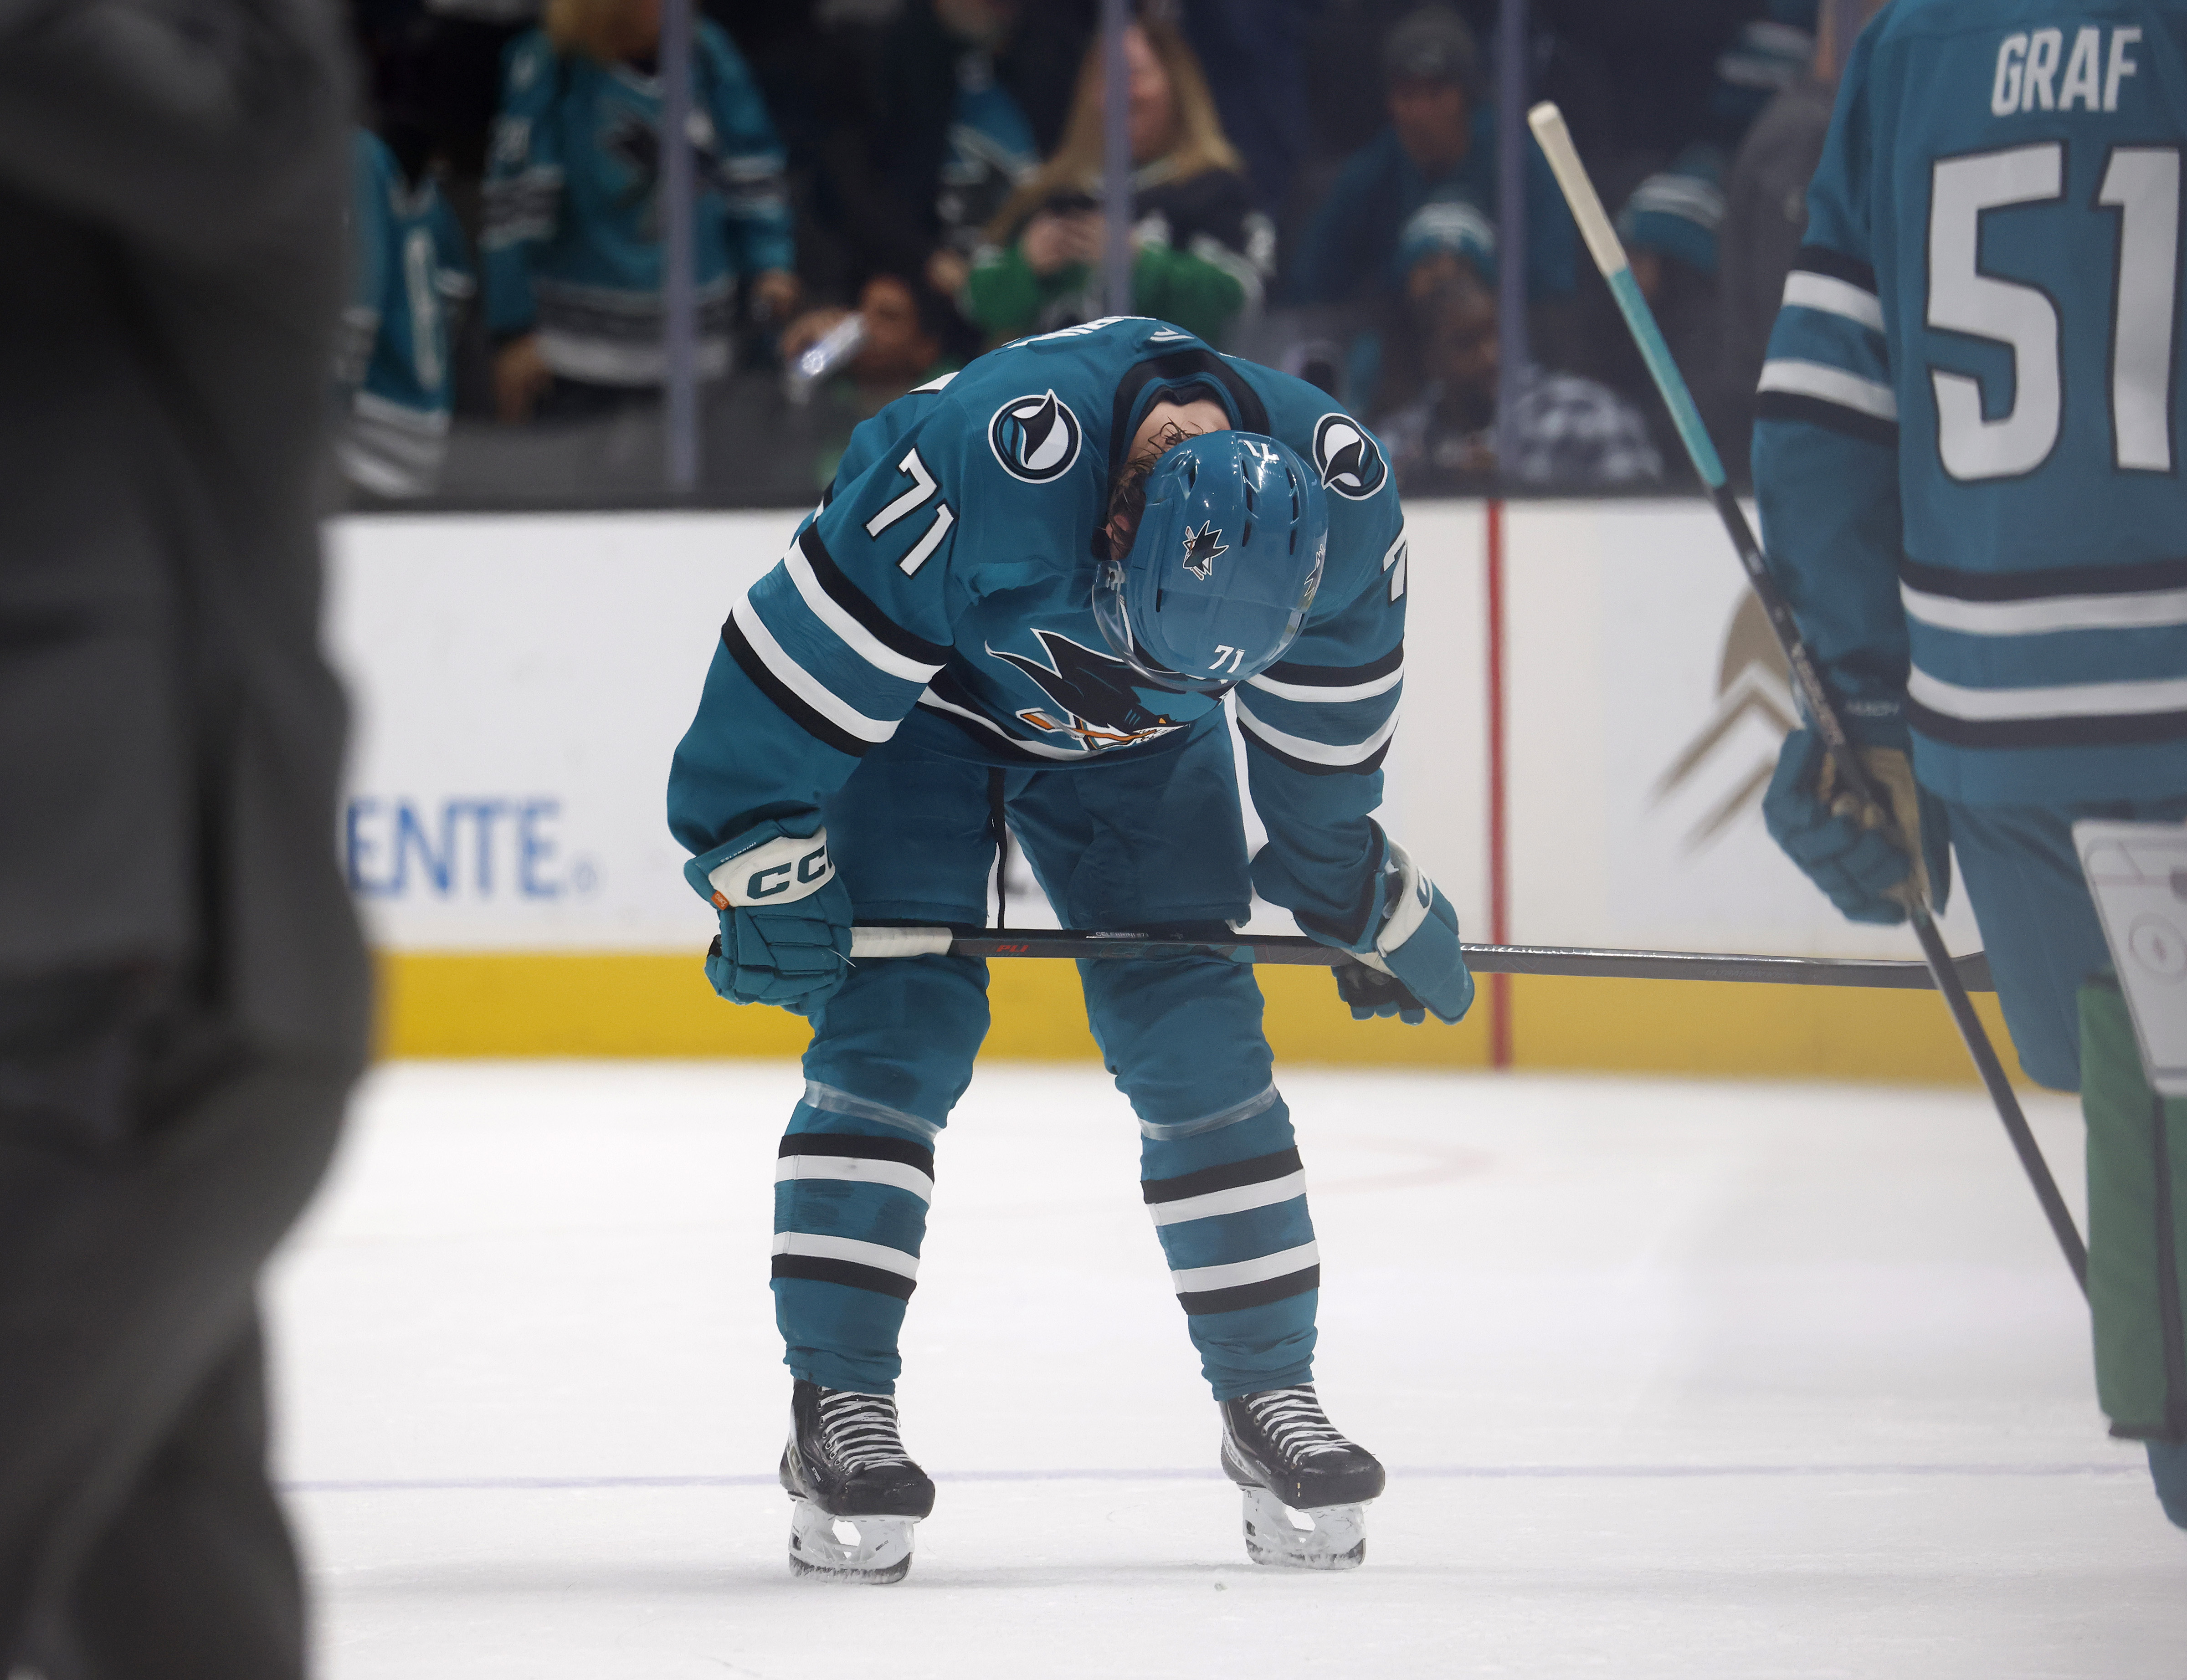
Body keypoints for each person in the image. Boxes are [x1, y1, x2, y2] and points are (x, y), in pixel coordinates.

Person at [667, 316, 1473, 1581]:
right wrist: (759, 859)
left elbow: (1323, 774)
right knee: (895, 1030)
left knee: (1201, 1040)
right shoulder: (976, 462)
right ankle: (838, 1408)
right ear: (1113, 524)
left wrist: (1351, 886)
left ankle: (1271, 1397)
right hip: (918, 715)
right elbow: (775, 689)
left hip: (1143, 747)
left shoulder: (1346, 507)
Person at [1751, 0, 2187, 1531]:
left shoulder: (1909, 48)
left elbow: (1818, 421)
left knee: (2155, 1119)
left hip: (2011, 747)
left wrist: (1867, 714)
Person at [0, 1, 371, 1674]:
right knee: (169, 1600)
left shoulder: (244, 115)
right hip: (101, 999)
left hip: (128, 997)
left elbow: (172, 117)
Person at [483, 0, 797, 422]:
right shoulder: (552, 62)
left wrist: (770, 264)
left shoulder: (706, 54)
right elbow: (512, 206)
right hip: (576, 356)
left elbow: (751, 166)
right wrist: (514, 329)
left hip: (698, 352)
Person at [962, 18, 1274, 348]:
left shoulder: (1216, 191)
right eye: (1107, 79)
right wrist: (1026, 264)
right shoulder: (1048, 191)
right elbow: (975, 300)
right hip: (1043, 392)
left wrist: (1140, 263)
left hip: (1168, 388)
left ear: (1177, 88)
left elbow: (1241, 302)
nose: (1123, 93)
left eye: (1136, 76)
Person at [1286, 6, 1577, 316]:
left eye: (1436, 92)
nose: (1421, 113)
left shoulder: (1517, 163)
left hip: (1502, 347)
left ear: (1467, 96)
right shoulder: (1371, 175)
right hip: (1403, 349)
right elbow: (1308, 299)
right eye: (1407, 94)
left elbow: (1555, 291)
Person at [1710, 0, 1887, 481]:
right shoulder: (1807, 137)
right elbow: (1797, 337)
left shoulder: (1843, 125)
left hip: (1812, 442)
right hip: (1795, 456)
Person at [1376, 203, 1661, 490]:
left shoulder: (1591, 418)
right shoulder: (1389, 451)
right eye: (1466, 343)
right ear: (1431, 359)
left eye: (1498, 334)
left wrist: (1517, 490)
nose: (1491, 355)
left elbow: (1645, 527)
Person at [337, 127, 477, 498]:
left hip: (371, 432)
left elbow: (357, 309)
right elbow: (456, 289)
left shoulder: (357, 157)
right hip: (426, 421)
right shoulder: (432, 204)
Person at [780, 270, 965, 489]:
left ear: (926, 347)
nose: (865, 328)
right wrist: (795, 358)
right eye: (861, 312)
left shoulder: (953, 403)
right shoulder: (827, 403)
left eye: (887, 316)